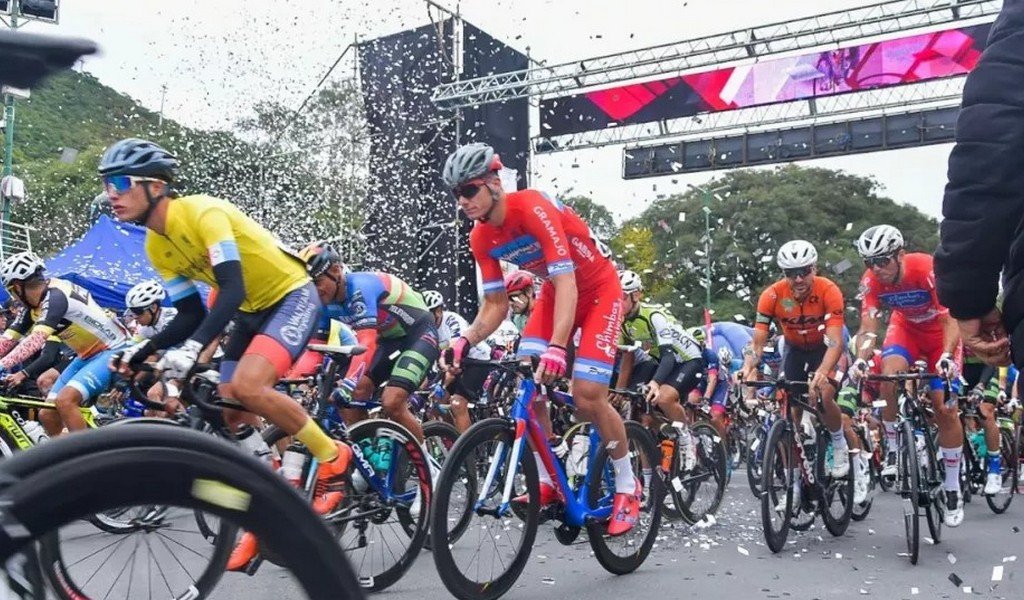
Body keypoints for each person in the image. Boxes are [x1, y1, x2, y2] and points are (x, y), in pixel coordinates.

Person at [97, 138, 352, 570]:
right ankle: (269, 505)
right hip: (251, 310)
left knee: (250, 386)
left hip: (289, 294)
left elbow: (229, 288)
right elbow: (191, 313)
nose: (111, 194)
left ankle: (333, 456)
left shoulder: (202, 212)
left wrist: (195, 348)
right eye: (106, 184)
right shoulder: (156, 246)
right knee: (232, 412)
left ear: (155, 186)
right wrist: (144, 349)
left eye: (121, 182)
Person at [441, 142, 640, 536]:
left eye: (469, 190)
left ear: (494, 183)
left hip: (598, 290)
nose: (463, 201)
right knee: (525, 381)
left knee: (586, 393)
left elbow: (566, 279)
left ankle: (627, 484)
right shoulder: (480, 239)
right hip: (553, 293)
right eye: (456, 194)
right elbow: (496, 304)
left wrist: (557, 346)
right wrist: (464, 338)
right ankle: (549, 477)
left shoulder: (531, 207)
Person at [852, 225, 968, 524]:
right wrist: (862, 359)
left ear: (900, 255)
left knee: (944, 407)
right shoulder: (871, 281)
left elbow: (950, 317)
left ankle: (953, 485)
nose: (877, 269)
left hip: (940, 335)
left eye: (883, 261)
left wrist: (945, 355)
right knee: (887, 379)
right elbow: (868, 327)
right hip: (906, 331)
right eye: (870, 262)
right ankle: (892, 449)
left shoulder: (926, 267)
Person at [740, 240, 857, 509]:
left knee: (825, 392)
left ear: (814, 268)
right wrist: (748, 366)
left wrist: (823, 371)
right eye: (791, 273)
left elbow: (836, 341)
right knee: (789, 413)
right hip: (794, 349)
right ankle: (793, 487)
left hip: (825, 348)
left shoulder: (828, 290)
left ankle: (838, 445)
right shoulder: (772, 295)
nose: (799, 278)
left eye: (804, 271)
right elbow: (757, 343)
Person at [299, 241, 438, 444]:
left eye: (317, 282)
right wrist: (297, 382)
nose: (315, 290)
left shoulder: (358, 288)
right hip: (390, 341)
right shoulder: (322, 303)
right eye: (309, 284)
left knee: (392, 402)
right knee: (353, 397)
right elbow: (313, 350)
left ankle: (427, 468)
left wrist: (347, 383)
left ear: (336, 271)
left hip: (419, 333)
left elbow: (367, 342)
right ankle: (367, 461)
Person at [0, 252, 130, 436]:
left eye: (11, 291)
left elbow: (36, 340)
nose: (13, 297)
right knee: (47, 414)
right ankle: (64, 460)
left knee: (65, 401)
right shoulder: (34, 305)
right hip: (86, 355)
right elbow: (7, 340)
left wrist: (2, 365)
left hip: (113, 350)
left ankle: (89, 460)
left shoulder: (55, 296)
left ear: (19, 286)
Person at [422, 289, 491, 433]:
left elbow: (453, 351)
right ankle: (452, 439)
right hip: (451, 364)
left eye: (429, 315)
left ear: (439, 311)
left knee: (457, 404)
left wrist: (445, 379)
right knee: (436, 405)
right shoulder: (426, 329)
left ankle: (466, 451)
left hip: (476, 360)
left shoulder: (452, 319)